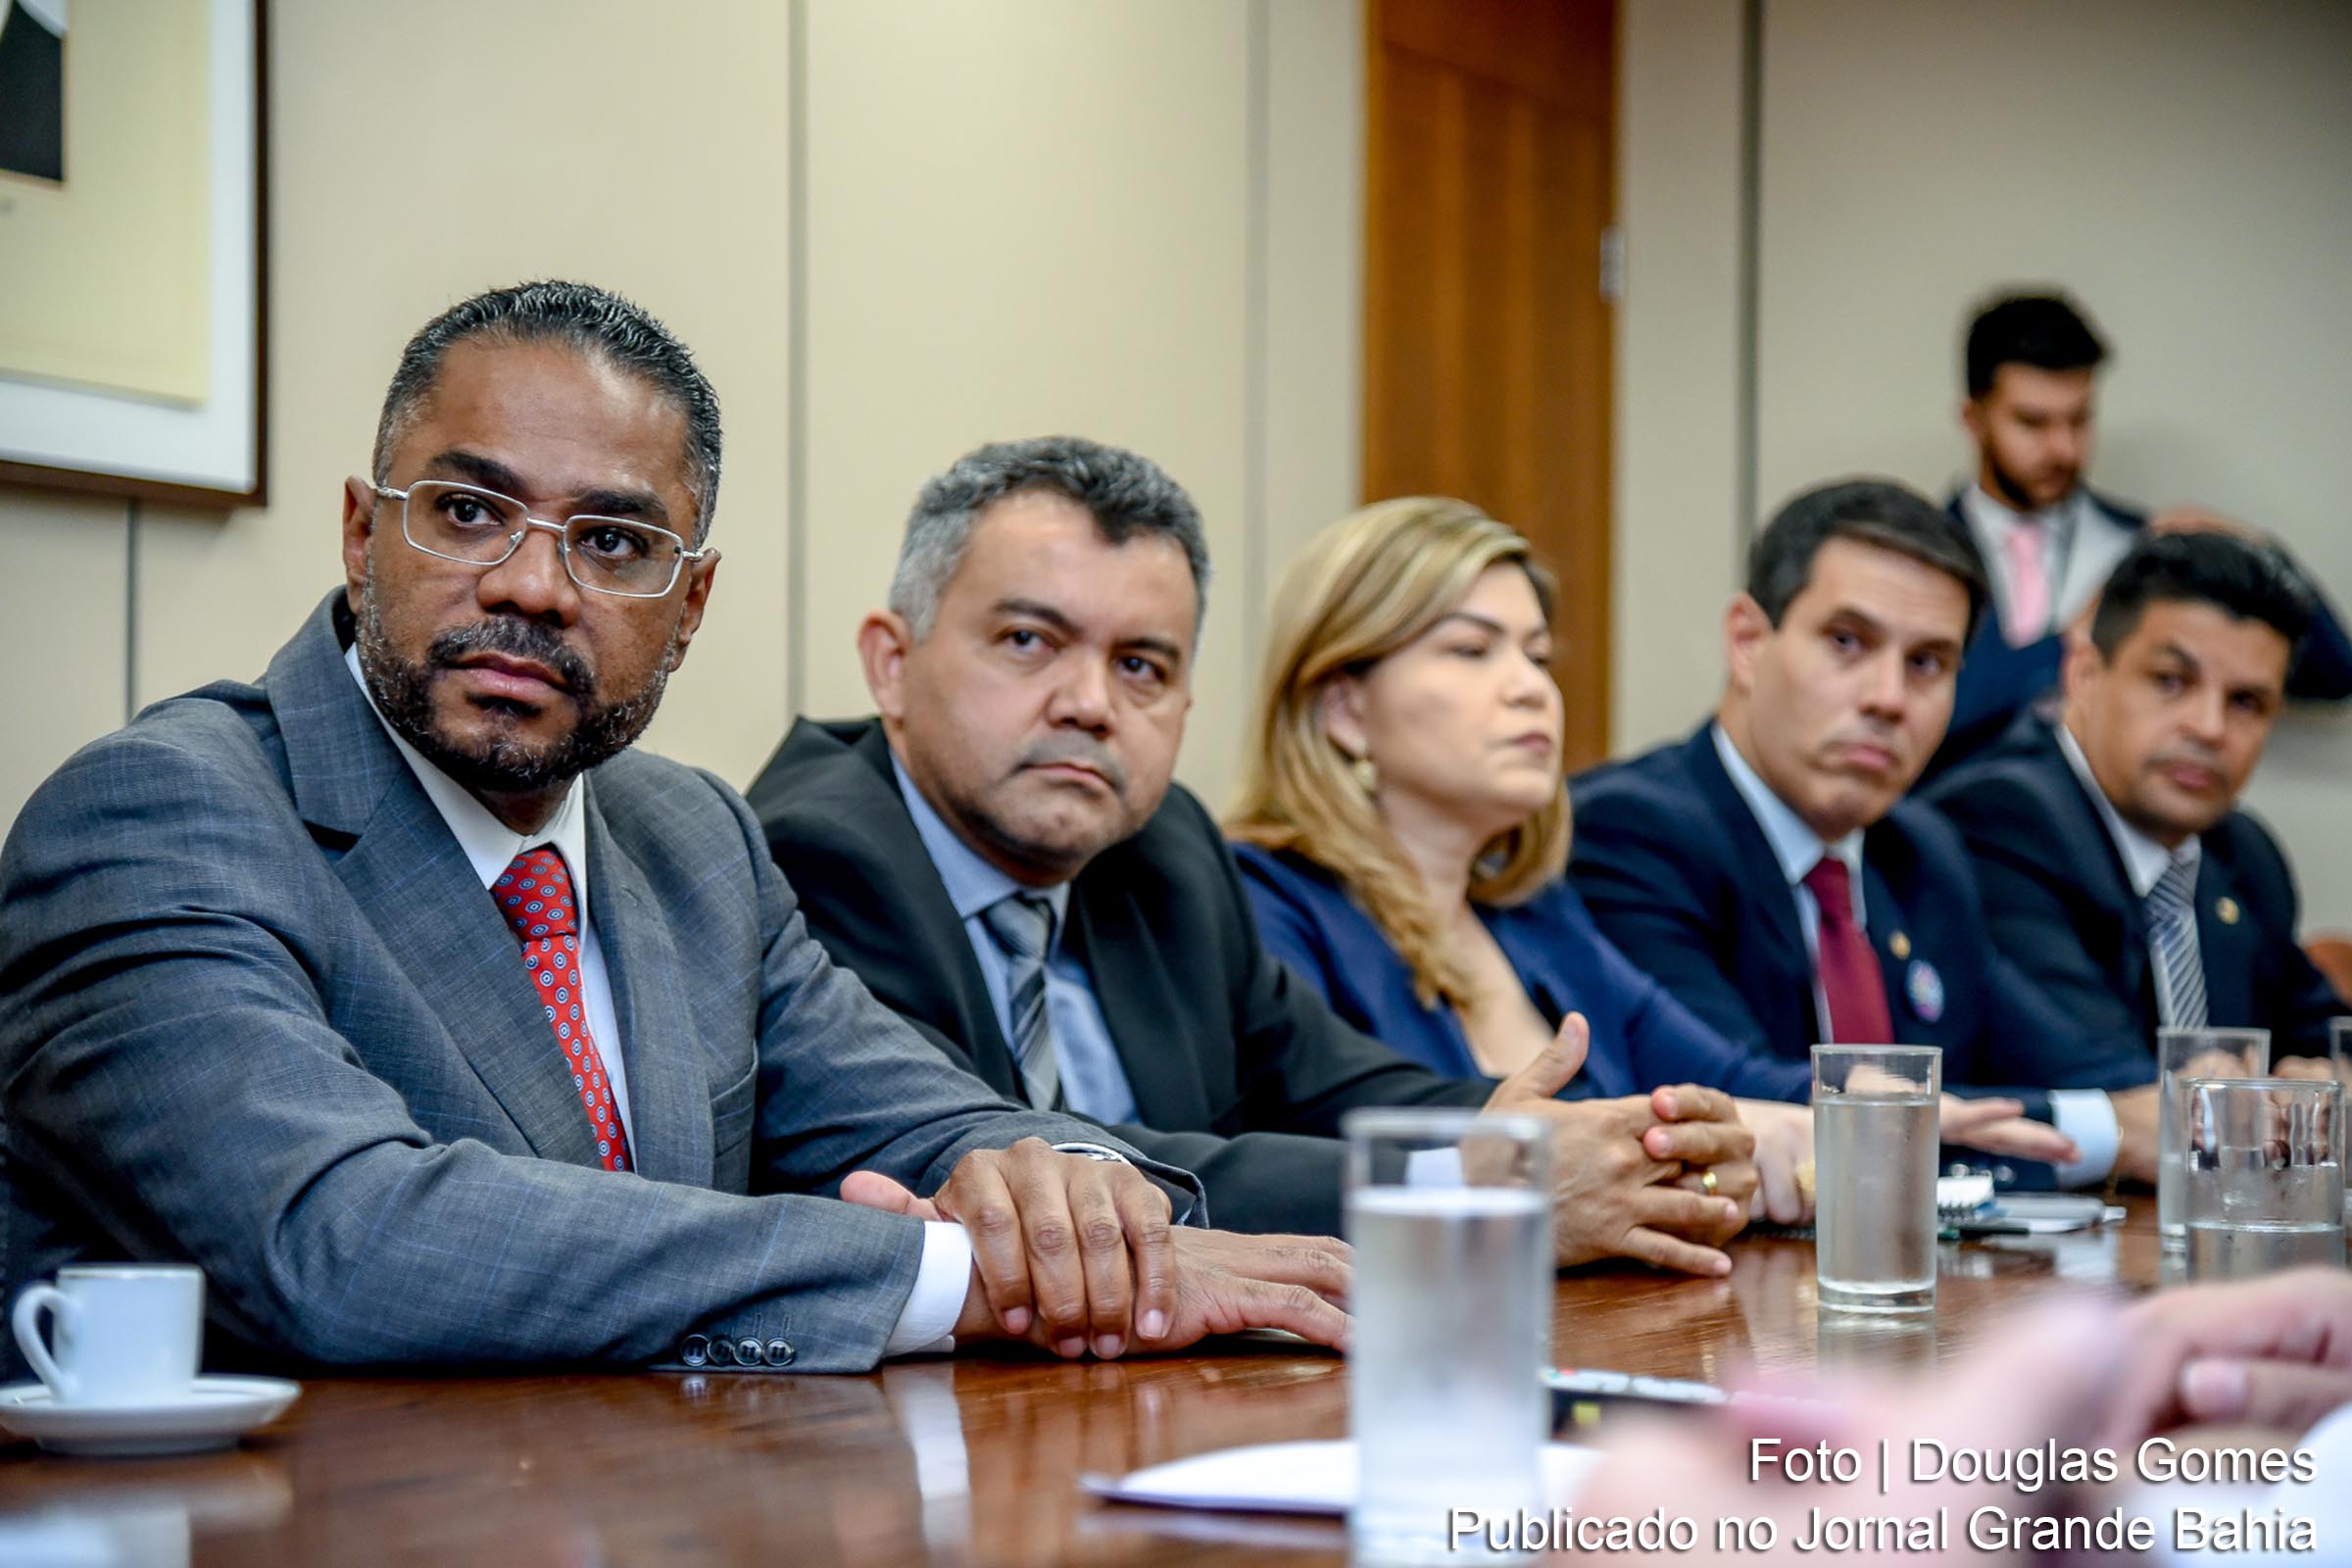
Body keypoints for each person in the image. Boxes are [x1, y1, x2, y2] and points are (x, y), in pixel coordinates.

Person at [0, 281, 1352, 1380]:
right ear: (362, 533)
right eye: (468, 513)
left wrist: (1073, 1202)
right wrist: (949, 1274)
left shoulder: (688, 835)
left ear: (690, 606)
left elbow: (932, 1116)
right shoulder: (160, 818)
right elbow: (340, 1245)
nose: (533, 586)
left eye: (615, 542)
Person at [750, 437, 1759, 1276]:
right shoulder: (824, 853)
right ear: (892, 663)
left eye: (1141, 665)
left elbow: (1332, 1084)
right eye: (1028, 641)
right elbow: (1027, 1163)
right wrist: (1475, 1175)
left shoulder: (1162, 847)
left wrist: (1602, 1139)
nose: (1090, 705)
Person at [1222, 498, 1819, 1221]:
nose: (1532, 688)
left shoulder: (1538, 919)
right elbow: (1331, 1152)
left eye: (1537, 656)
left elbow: (1728, 1080)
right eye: (1473, 650)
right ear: (1345, 709)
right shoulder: (1259, 902)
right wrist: (1693, 1147)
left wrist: (1911, 1107)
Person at [1569, 478, 2145, 1189]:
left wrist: (2180, 1104)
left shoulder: (1921, 849)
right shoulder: (1632, 832)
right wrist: (2111, 1131)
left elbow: (2068, 1057)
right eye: (1847, 642)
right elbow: (1742, 1109)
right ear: (1748, 642)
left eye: (1927, 663)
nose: (1888, 698)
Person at [1926, 531, 2343, 1062]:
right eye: (2170, 681)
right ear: (2083, 674)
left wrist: (2327, 1081)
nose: (2210, 728)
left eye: (2246, 702)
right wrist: (2257, 1105)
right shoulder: (1998, 823)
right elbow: (2099, 1071)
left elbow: (2322, 1033)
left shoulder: (2241, 852)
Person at [1935, 290, 2352, 773]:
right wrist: (2076, 636)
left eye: (2079, 419)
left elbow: (2332, 671)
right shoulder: (1919, 555)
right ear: (1973, 419)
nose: (2064, 448)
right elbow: (1937, 713)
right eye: (2033, 423)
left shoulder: (2144, 548)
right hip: (1947, 836)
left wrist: (2255, 549)